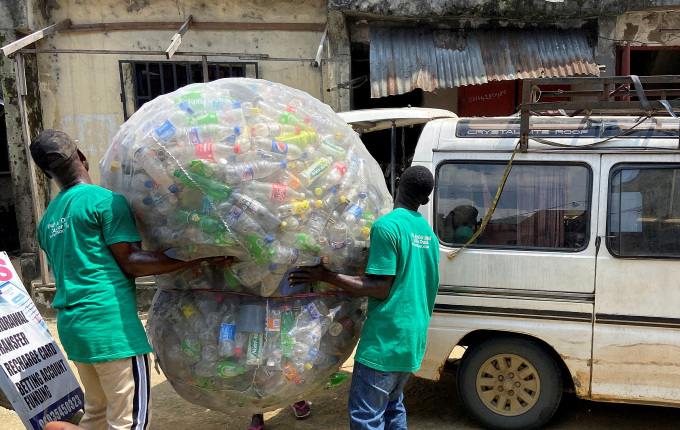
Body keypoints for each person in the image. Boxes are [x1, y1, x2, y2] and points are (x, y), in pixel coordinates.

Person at [30, 129, 232, 430]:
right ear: (83, 157)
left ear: (47, 174)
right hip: (112, 330)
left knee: (97, 417)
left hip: (75, 329)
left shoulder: (47, 219)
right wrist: (198, 256)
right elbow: (132, 262)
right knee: (129, 424)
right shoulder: (106, 201)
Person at [289, 165, 440, 430]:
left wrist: (326, 275)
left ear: (398, 184)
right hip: (412, 339)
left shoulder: (387, 226)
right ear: (426, 199)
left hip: (385, 339)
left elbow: (380, 287)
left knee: (366, 417)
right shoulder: (428, 233)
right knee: (393, 408)